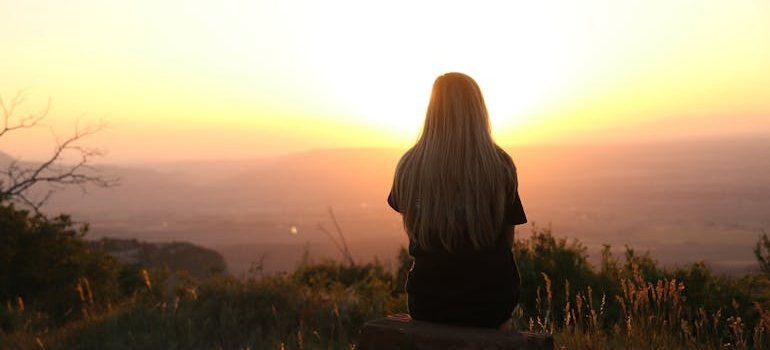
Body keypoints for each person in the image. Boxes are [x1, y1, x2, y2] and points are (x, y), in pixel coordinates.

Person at [387, 72, 527, 329]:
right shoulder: (501, 166)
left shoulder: (409, 166)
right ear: (478, 111)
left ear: (432, 110)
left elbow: (414, 230)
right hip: (490, 304)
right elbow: (507, 243)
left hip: (428, 303)